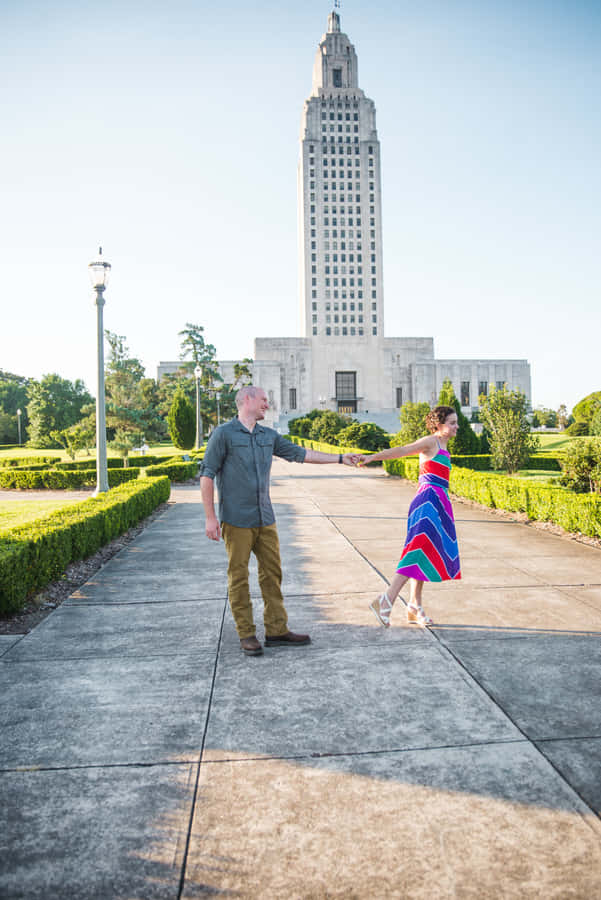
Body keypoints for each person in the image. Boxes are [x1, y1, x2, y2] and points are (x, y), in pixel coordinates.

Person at [200, 386, 359, 656]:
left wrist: (341, 458)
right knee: (238, 577)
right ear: (247, 399)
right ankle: (246, 633)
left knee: (272, 575)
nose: (267, 404)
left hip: (265, 517)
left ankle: (276, 630)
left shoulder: (268, 436)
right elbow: (207, 475)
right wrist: (210, 518)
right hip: (236, 520)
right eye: (263, 400)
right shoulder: (223, 434)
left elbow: (302, 454)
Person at [357, 405, 461, 627]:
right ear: (439, 425)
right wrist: (372, 457)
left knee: (425, 555)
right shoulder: (430, 442)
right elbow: (401, 450)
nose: (456, 427)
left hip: (439, 504)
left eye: (456, 422)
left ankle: (414, 606)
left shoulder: (444, 445)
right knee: (416, 553)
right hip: (426, 503)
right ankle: (386, 600)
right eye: (452, 423)